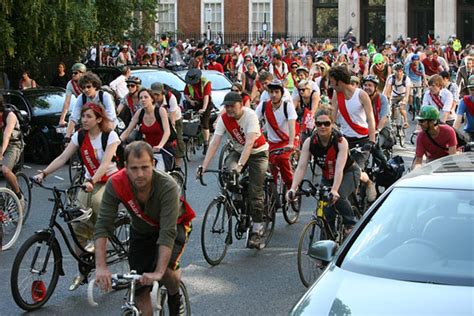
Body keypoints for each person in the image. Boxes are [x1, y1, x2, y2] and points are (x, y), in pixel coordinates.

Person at [94, 141, 195, 316]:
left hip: (174, 225)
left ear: (153, 164)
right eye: (133, 168)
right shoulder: (116, 183)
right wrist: (101, 267)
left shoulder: (167, 185)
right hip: (141, 231)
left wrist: (159, 271)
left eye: (144, 167)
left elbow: (167, 232)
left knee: (166, 272)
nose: (139, 174)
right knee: (139, 287)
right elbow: (103, 224)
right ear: (125, 166)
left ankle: (175, 298)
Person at [34, 102, 120, 290]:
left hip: (109, 181)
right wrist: (44, 173)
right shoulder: (80, 136)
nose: (84, 120)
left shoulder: (110, 136)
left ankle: (101, 265)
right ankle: (84, 269)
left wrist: (92, 181)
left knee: (98, 211)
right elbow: (63, 158)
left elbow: (105, 164)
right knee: (77, 223)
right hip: (88, 183)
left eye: (89, 116)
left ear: (99, 119)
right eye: (83, 116)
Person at [197, 92, 269, 249]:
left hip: (258, 153)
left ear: (240, 105)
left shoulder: (250, 116)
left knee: (255, 193)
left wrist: (240, 166)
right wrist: (204, 165)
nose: (229, 109)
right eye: (226, 106)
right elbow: (215, 142)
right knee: (228, 173)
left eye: (232, 106)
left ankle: (257, 229)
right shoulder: (224, 118)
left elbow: (249, 143)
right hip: (237, 150)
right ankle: (237, 196)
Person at [287, 107, 359, 235]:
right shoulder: (310, 142)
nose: (322, 127)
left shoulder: (341, 142)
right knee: (327, 212)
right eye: (319, 123)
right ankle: (329, 239)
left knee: (339, 196)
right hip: (327, 176)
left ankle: (351, 224)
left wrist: (335, 189)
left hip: (348, 173)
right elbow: (302, 166)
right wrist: (293, 188)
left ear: (332, 124)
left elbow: (339, 168)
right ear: (315, 124)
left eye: (326, 123)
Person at [329, 65, 377, 202]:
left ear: (339, 81)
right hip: (344, 139)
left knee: (357, 171)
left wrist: (371, 141)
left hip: (362, 140)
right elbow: (332, 117)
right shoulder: (336, 95)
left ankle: (368, 183)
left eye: (332, 81)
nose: (331, 84)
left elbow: (370, 119)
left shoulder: (361, 95)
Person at [255, 79, 297, 190]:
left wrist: (291, 143)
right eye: (271, 92)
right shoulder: (264, 105)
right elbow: (254, 121)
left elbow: (292, 126)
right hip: (271, 142)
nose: (274, 95)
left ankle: (291, 188)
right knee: (265, 166)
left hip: (287, 141)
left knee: (282, 160)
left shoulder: (287, 106)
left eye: (277, 92)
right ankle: (271, 192)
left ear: (282, 93)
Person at [120, 88, 174, 171]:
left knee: (158, 175)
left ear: (152, 99)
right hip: (148, 151)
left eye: (146, 97)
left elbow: (167, 131)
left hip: (163, 149)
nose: (143, 100)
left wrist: (160, 145)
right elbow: (128, 130)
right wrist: (117, 142)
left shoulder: (160, 111)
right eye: (141, 98)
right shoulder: (139, 113)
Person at [65, 72, 118, 139]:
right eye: (83, 87)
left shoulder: (104, 96)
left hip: (107, 125)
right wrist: (67, 136)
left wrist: (108, 136)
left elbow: (111, 117)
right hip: (91, 127)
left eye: (88, 86)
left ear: (95, 86)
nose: (86, 90)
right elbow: (74, 117)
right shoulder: (81, 98)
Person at [151, 82, 185, 168]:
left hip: (175, 119)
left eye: (157, 95)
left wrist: (172, 132)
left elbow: (172, 119)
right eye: (153, 94)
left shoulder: (171, 98)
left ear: (162, 93)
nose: (155, 97)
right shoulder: (151, 100)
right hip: (160, 119)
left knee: (177, 139)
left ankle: (177, 165)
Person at [0, 94, 26, 209]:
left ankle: (19, 196)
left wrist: (1, 153)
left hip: (13, 145)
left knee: (5, 170)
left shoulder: (10, 115)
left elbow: (6, 136)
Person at [362, 75, 390, 166]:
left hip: (381, 130)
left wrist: (377, 130)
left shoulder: (382, 98)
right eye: (365, 85)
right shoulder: (360, 98)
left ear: (376, 88)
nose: (367, 88)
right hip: (365, 130)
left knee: (375, 145)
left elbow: (384, 117)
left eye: (370, 85)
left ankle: (386, 167)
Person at [184, 69, 213, 154]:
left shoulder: (205, 82)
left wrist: (203, 109)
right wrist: (190, 101)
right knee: (189, 118)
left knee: (205, 123)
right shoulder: (189, 83)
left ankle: (206, 143)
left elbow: (206, 97)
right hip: (195, 102)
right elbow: (185, 94)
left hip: (205, 103)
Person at [383, 62, 411, 128]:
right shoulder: (391, 78)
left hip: (403, 95)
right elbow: (386, 90)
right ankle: (393, 122)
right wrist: (384, 99)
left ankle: (405, 121)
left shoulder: (406, 79)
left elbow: (407, 93)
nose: (398, 73)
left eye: (400, 71)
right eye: (397, 71)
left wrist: (404, 101)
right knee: (391, 109)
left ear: (402, 71)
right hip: (394, 95)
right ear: (394, 71)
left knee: (401, 108)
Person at [454, 75, 474, 141]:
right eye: (471, 89)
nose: (473, 92)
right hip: (469, 133)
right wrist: (453, 134)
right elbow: (458, 119)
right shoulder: (464, 101)